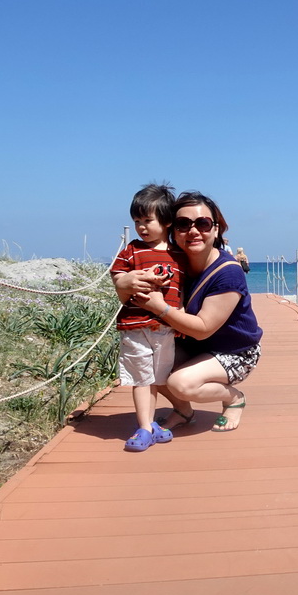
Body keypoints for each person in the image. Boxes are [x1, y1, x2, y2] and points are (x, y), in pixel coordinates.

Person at [132, 191, 263, 433]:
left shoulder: (227, 272)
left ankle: (234, 398)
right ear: (172, 230)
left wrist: (158, 307)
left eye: (202, 223)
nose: (193, 231)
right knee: (147, 360)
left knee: (180, 383)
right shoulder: (171, 262)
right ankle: (183, 410)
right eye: (183, 224)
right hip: (196, 346)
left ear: (216, 229)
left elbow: (203, 329)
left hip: (235, 351)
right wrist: (123, 282)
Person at [110, 182, 194, 452]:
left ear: (167, 221)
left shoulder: (179, 255)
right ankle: (145, 427)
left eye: (148, 220)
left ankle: (157, 423)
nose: (141, 227)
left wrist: (181, 318)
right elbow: (118, 275)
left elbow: (183, 290)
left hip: (166, 328)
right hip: (135, 326)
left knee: (158, 376)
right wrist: (127, 281)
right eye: (137, 221)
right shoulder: (132, 250)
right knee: (141, 377)